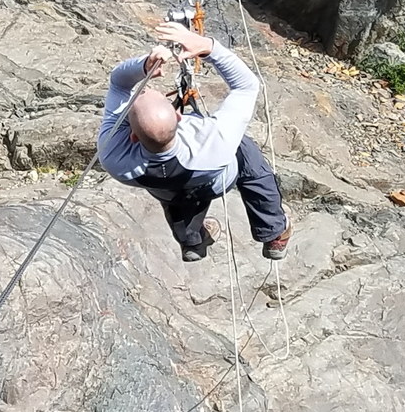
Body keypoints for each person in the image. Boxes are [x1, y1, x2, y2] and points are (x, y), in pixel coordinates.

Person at [97, 21, 292, 262]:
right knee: (243, 148)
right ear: (179, 117)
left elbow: (118, 83)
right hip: (216, 181)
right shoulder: (214, 141)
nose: (146, 90)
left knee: (173, 192)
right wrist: (208, 47)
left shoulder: (113, 156)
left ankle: (192, 241)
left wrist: (143, 66)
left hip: (168, 191)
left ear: (133, 135)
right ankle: (273, 232)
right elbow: (247, 86)